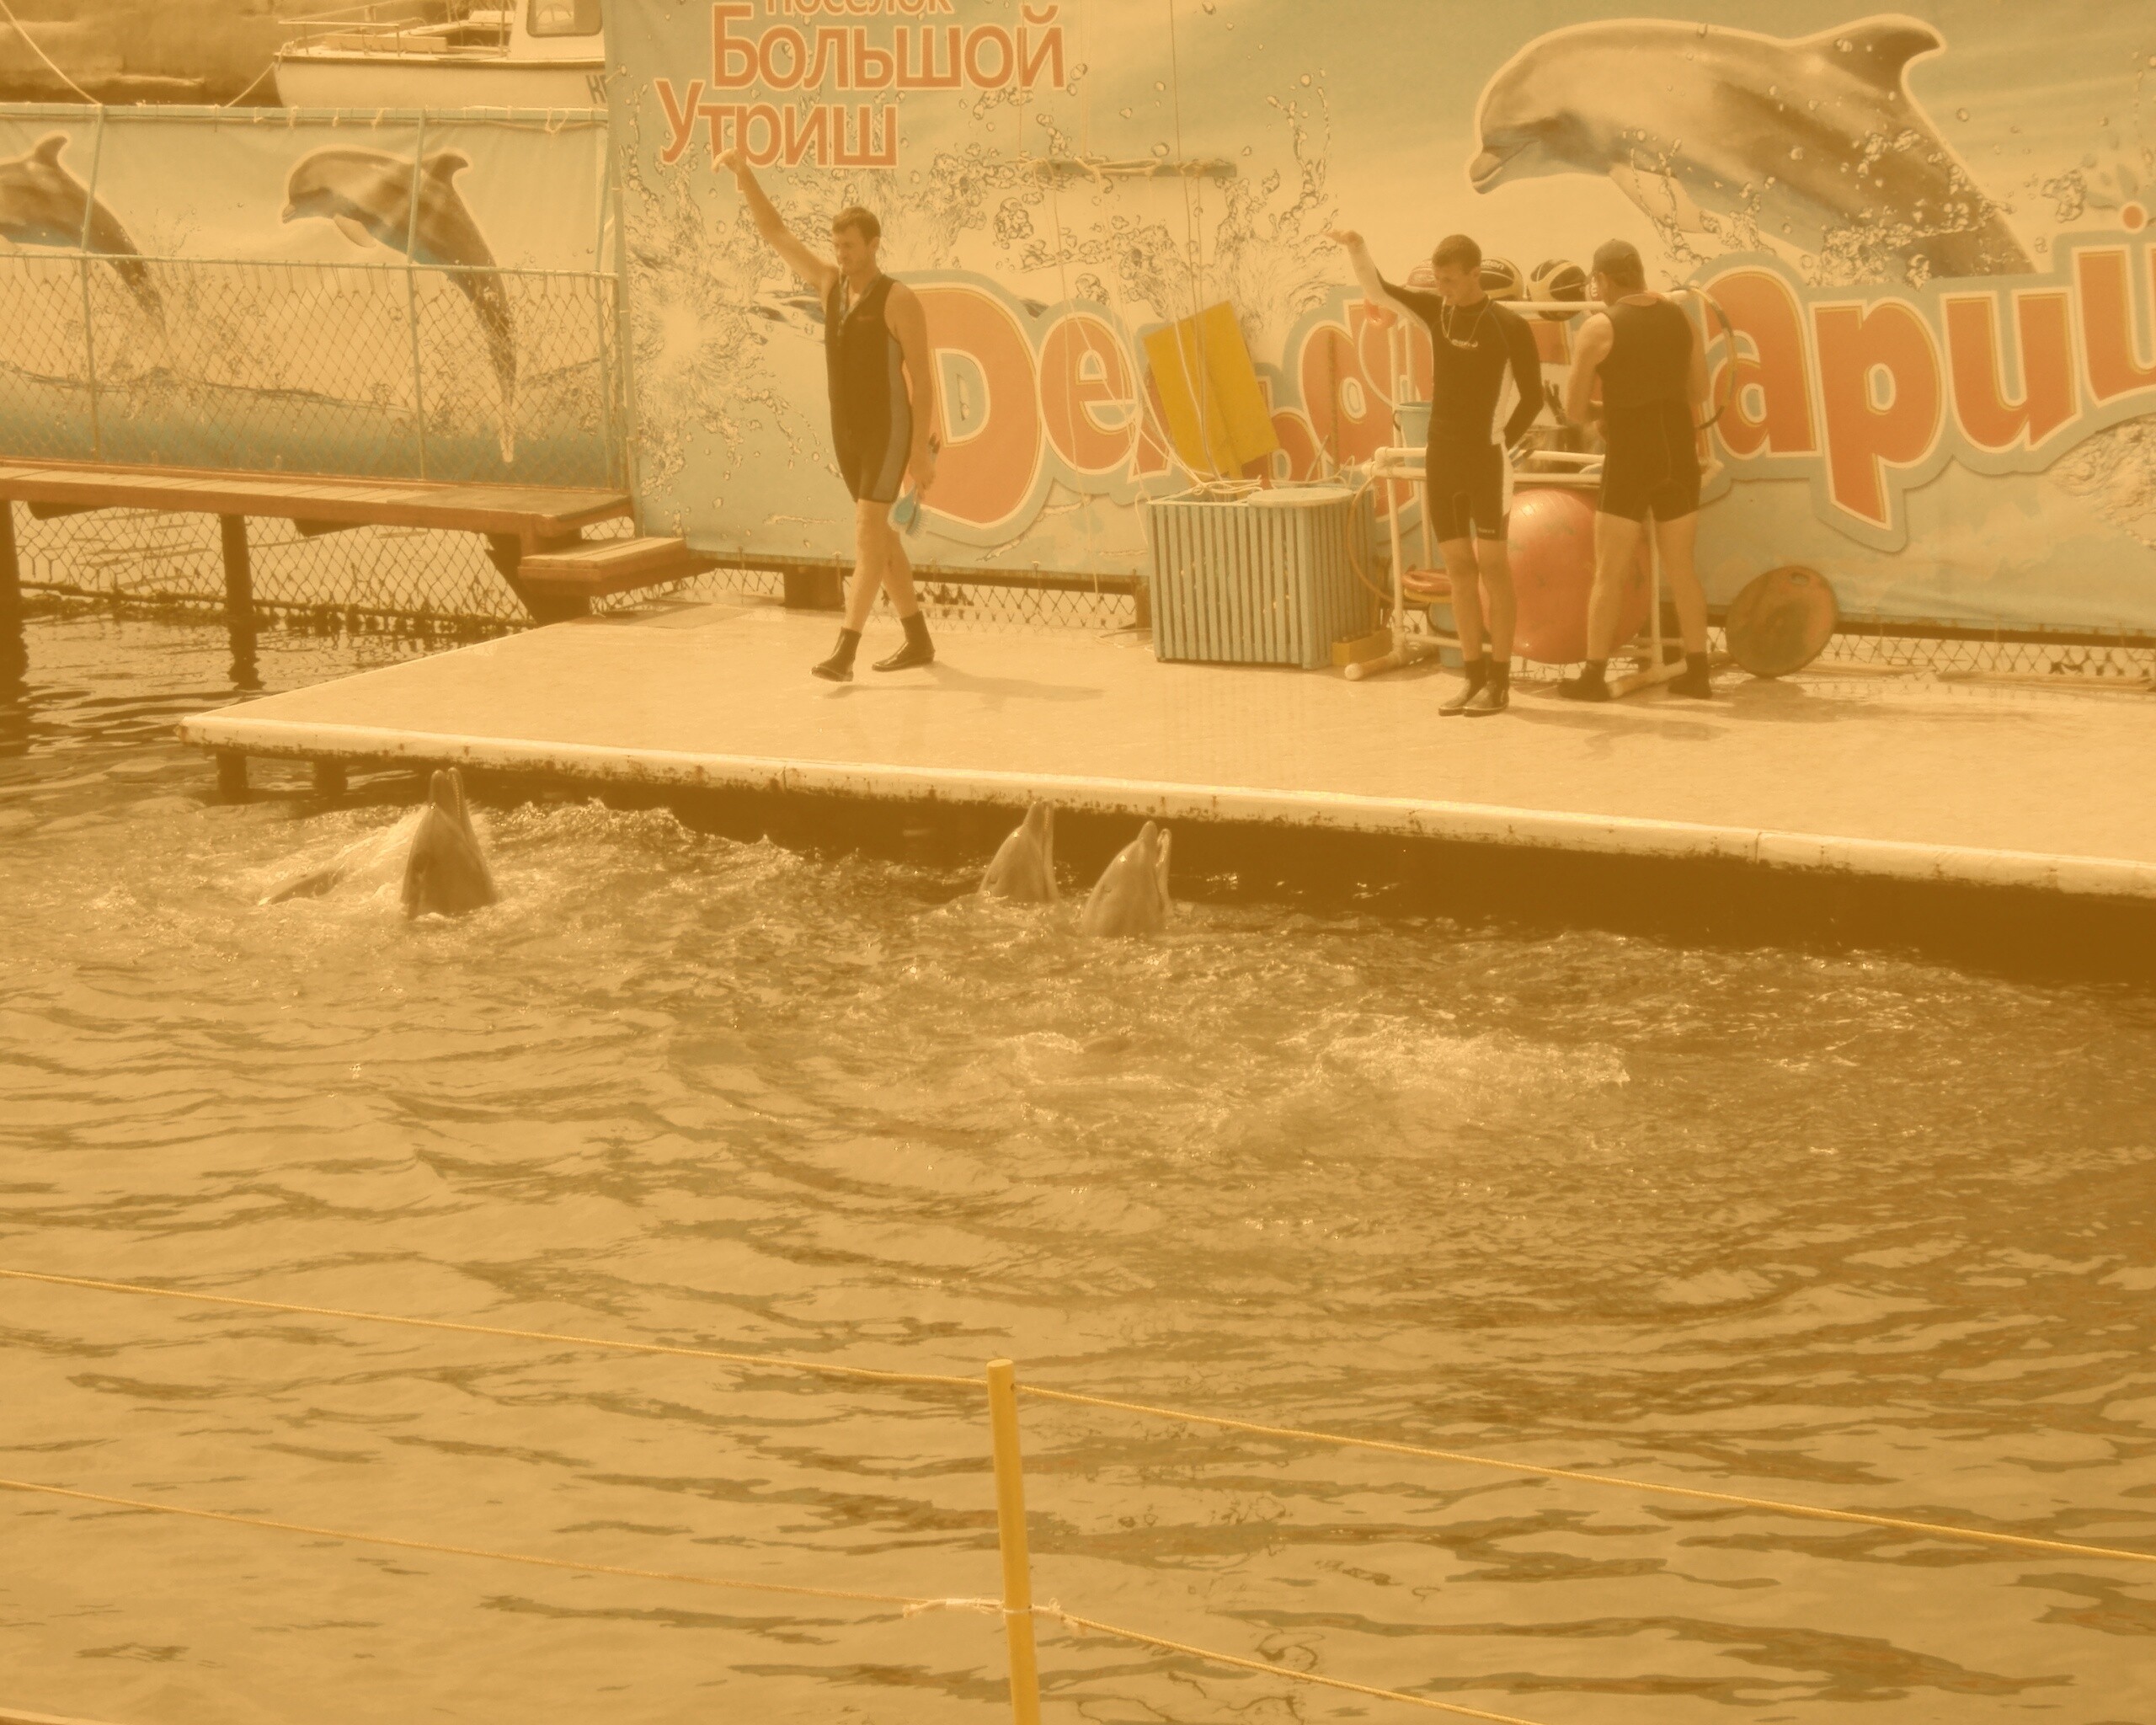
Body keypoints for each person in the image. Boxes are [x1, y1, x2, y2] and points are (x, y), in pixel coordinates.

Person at [722, 148, 938, 681]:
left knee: (866, 533)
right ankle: (918, 639)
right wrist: (745, 176)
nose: (840, 254)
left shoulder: (898, 299)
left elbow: (924, 379)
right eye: (836, 246)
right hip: (848, 434)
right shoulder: (829, 287)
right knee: (881, 538)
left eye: (849, 246)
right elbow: (776, 233)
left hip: (888, 433)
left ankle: (845, 651)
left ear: (874, 245)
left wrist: (919, 452)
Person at [1328, 228, 1543, 716]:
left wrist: (1500, 439)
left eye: (1450, 280)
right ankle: (1473, 677)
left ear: (1474, 273)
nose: (1442, 288)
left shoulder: (1509, 326)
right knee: (1460, 571)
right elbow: (1380, 290)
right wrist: (1357, 247)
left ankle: (1500, 681)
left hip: (1486, 462)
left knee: (1493, 568)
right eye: (1438, 280)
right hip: (1442, 460)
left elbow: (1532, 397)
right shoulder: (1436, 312)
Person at [1557, 238, 1713, 702]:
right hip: (1678, 454)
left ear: (1602, 280)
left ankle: (1593, 676)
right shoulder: (1681, 319)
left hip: (1631, 458)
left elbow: (1573, 411)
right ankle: (1698, 673)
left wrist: (1607, 411)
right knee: (1682, 569)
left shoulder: (1599, 327)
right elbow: (1698, 393)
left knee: (1610, 571)